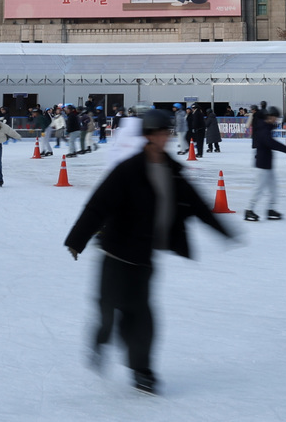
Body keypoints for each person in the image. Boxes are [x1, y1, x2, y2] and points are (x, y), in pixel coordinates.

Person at [63, 108, 233, 395]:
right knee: (108, 311)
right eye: (158, 133)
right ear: (147, 136)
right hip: (115, 254)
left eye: (166, 132)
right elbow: (98, 204)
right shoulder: (128, 170)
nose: (164, 137)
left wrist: (223, 230)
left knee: (140, 317)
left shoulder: (172, 171)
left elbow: (198, 205)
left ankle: (141, 369)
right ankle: (101, 339)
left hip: (144, 256)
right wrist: (76, 239)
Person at [244, 106, 286, 222]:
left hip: (267, 164)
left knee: (273, 189)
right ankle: (249, 210)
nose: (276, 120)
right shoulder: (263, 129)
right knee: (259, 188)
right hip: (262, 165)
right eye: (274, 117)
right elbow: (270, 143)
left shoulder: (266, 127)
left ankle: (271, 210)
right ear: (269, 117)